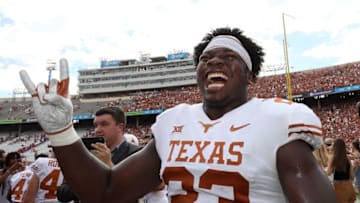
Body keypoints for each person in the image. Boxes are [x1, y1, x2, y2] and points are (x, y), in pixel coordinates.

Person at [20, 27, 338, 202]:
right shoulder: (174, 122)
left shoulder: (278, 119)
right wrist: (61, 132)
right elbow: (106, 191)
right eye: (206, 59)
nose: (215, 62)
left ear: (249, 75)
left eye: (229, 57)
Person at [56, 106, 142, 203]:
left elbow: (135, 190)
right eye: (96, 125)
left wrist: (109, 165)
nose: (97, 130)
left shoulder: (137, 153)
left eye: (104, 124)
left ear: (120, 127)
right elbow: (62, 193)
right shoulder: (84, 155)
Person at [326, 138, 356, 203]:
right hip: (349, 186)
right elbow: (352, 175)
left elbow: (328, 173)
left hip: (338, 187)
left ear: (335, 147)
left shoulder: (333, 157)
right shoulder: (347, 158)